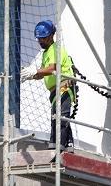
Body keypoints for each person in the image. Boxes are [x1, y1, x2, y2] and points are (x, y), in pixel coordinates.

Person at [22, 20, 77, 149]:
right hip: (55, 91)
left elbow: (53, 68)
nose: (41, 41)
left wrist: (35, 71)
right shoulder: (47, 52)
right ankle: (62, 145)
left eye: (43, 38)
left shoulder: (55, 49)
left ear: (51, 36)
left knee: (61, 117)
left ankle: (60, 147)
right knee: (56, 118)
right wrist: (30, 75)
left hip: (64, 87)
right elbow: (43, 73)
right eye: (39, 39)